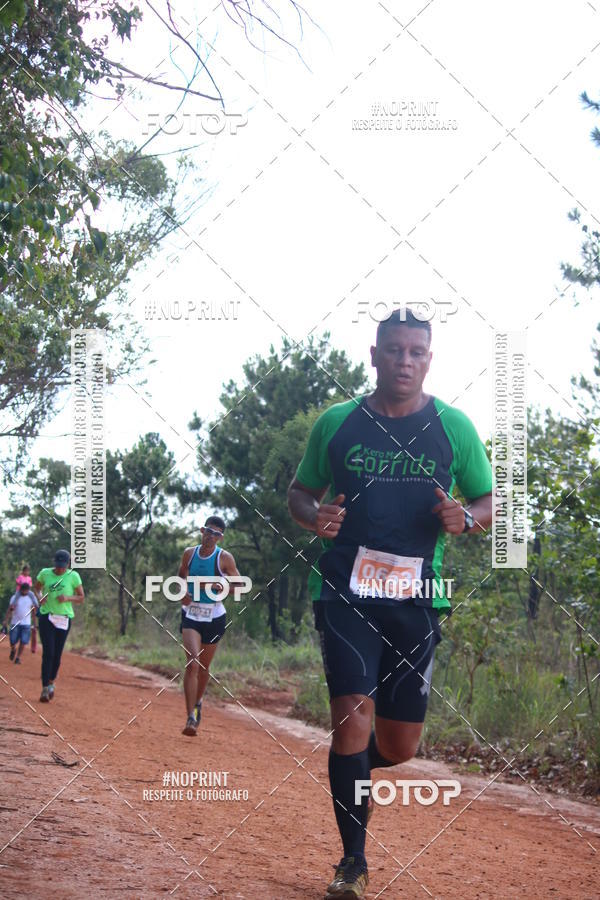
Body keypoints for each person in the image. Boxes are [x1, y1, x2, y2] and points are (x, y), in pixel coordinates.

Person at [288, 309, 493, 899]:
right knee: (353, 715)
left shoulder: (454, 428)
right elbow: (301, 492)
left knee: (399, 748)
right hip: (344, 592)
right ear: (373, 354)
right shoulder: (338, 423)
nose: (405, 361)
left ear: (429, 359)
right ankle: (352, 862)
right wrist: (314, 517)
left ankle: (346, 770)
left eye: (417, 352)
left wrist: (467, 519)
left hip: (417, 600)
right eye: (394, 350)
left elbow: (487, 501)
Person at [177, 515, 241, 736]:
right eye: (209, 531)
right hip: (191, 614)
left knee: (203, 668)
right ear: (202, 531)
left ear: (221, 537)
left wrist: (221, 585)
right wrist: (182, 592)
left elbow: (239, 586)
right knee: (193, 663)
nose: (211, 536)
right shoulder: (189, 553)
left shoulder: (224, 558)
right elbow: (180, 577)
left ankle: (199, 701)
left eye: (216, 534)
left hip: (214, 616)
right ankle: (190, 717)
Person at [34, 550, 84, 702]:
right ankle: (44, 689)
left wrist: (68, 597)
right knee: (48, 652)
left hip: (64, 619)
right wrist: (40, 597)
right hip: (47, 616)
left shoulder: (73, 576)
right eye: (58, 566)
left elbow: (81, 597)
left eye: (63, 566)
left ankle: (51, 682)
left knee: (57, 655)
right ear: (54, 562)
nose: (60, 569)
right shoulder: (45, 573)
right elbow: (37, 588)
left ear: (68, 564)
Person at [4, 582, 39, 664]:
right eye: (23, 590)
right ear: (21, 590)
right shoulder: (15, 597)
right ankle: (13, 649)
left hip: (26, 624)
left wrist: (34, 624)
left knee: (23, 641)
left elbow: (33, 612)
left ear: (28, 590)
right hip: (15, 622)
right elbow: (10, 609)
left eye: (26, 591)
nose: (24, 592)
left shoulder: (31, 598)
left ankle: (18, 657)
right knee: (12, 640)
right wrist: (5, 620)